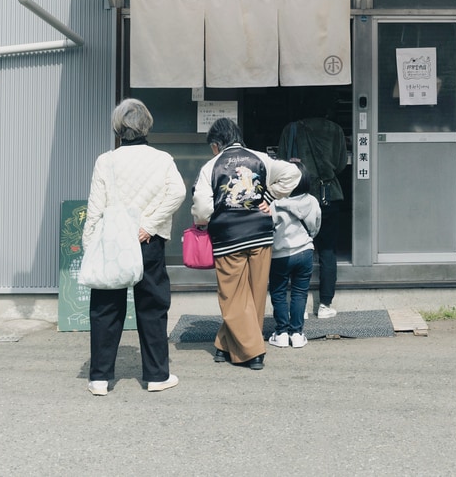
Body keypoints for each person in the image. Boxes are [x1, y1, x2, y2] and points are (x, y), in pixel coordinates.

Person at [83, 98, 186, 395]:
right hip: (147, 241)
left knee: (105, 308)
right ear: (147, 125)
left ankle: (100, 378)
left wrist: (89, 243)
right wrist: (150, 225)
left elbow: (95, 208)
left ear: (118, 128)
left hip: (113, 242)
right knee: (152, 306)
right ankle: (156, 376)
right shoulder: (162, 158)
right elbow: (177, 192)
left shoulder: (106, 160)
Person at [193, 117, 301, 370]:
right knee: (253, 293)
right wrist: (269, 195)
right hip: (260, 234)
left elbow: (202, 207)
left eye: (212, 146)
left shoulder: (211, 166)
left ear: (217, 144)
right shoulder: (260, 158)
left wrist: (201, 222)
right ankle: (224, 344)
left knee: (232, 296)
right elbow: (293, 173)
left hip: (228, 237)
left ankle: (253, 352)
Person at [277, 113, 348, 318]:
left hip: (298, 198)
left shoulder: (291, 128)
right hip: (328, 196)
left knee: (296, 247)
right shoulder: (335, 129)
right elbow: (342, 163)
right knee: (327, 250)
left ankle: (299, 305)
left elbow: (282, 163)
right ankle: (325, 304)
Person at [267, 161, 321, 349]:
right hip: (305, 251)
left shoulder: (274, 203)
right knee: (300, 293)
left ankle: (281, 333)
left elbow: (268, 229)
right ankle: (297, 334)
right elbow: (315, 227)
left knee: (279, 292)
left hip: (279, 255)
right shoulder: (312, 201)